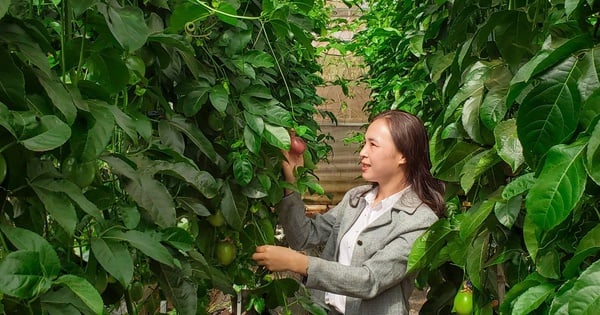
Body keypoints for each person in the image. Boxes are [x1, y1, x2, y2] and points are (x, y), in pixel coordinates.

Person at [252, 110, 445, 315]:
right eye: (364, 143)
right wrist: (290, 181)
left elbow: (369, 280)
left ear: (403, 155)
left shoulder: (419, 219)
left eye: (373, 144)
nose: (362, 152)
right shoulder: (356, 199)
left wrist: (299, 263)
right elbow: (303, 236)